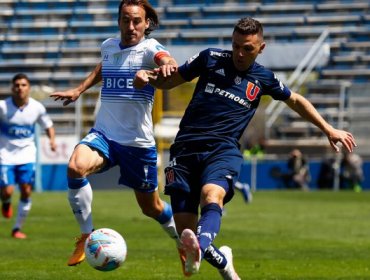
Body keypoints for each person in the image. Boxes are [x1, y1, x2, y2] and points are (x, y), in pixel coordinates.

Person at [134, 17, 357, 279]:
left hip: (223, 150)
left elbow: (295, 100)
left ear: (261, 48)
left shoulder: (263, 78)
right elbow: (169, 81)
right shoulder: (210, 58)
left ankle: (201, 247)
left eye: (248, 48)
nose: (240, 53)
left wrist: (328, 129)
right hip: (184, 149)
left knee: (211, 195)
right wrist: (147, 77)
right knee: (186, 234)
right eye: (236, 45)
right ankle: (223, 261)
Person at [50, 0, 180, 267]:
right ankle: (86, 235)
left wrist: (159, 70)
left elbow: (167, 62)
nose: (130, 26)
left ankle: (181, 240)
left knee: (151, 208)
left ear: (146, 24)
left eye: (136, 21)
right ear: (119, 21)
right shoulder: (109, 46)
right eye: (125, 20)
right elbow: (103, 67)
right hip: (105, 134)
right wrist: (79, 89)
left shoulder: (150, 48)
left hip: (137, 144)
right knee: (76, 167)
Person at [0, 73, 56, 239]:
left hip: (27, 155)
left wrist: (52, 141)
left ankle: (17, 228)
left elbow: (48, 125)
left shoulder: (37, 107)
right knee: (8, 192)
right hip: (5, 155)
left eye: (23, 85)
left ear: (29, 88)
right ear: (12, 88)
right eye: (17, 85)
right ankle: (6, 201)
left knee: (26, 191)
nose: (20, 88)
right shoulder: (3, 107)